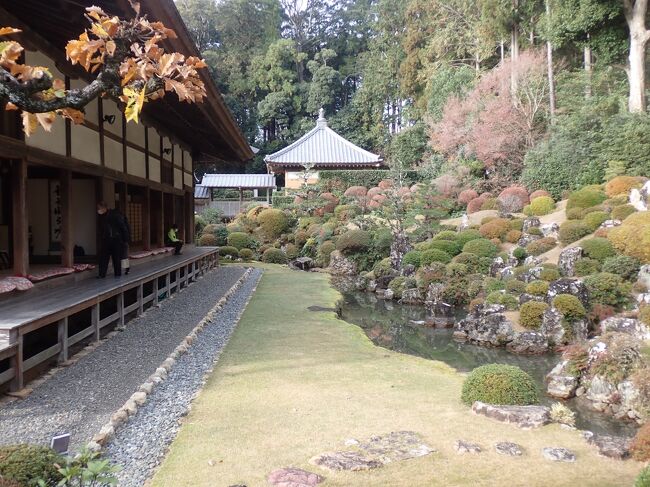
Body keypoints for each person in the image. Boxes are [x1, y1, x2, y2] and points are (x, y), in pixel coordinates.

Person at [97, 201, 129, 278]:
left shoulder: (115, 215)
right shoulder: (102, 216)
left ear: (104, 208)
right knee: (103, 257)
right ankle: (102, 274)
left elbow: (123, 227)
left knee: (116, 257)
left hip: (116, 239)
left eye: (99, 208)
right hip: (106, 239)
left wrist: (125, 240)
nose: (98, 210)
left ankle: (118, 274)